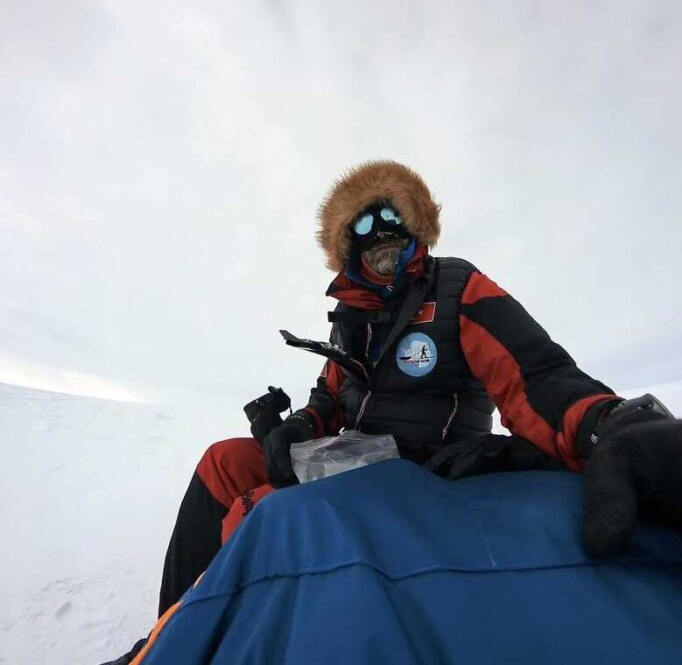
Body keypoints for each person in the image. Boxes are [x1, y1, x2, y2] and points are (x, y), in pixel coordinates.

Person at [107, 160, 682, 665]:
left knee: (257, 511)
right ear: (348, 245)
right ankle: (170, 635)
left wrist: (614, 424)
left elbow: (535, 377)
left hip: (427, 467)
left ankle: (219, 638)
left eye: (393, 217)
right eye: (363, 224)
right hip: (352, 458)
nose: (380, 231)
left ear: (416, 226)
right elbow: (330, 398)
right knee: (224, 463)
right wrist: (298, 428)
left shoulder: (456, 285)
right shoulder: (349, 319)